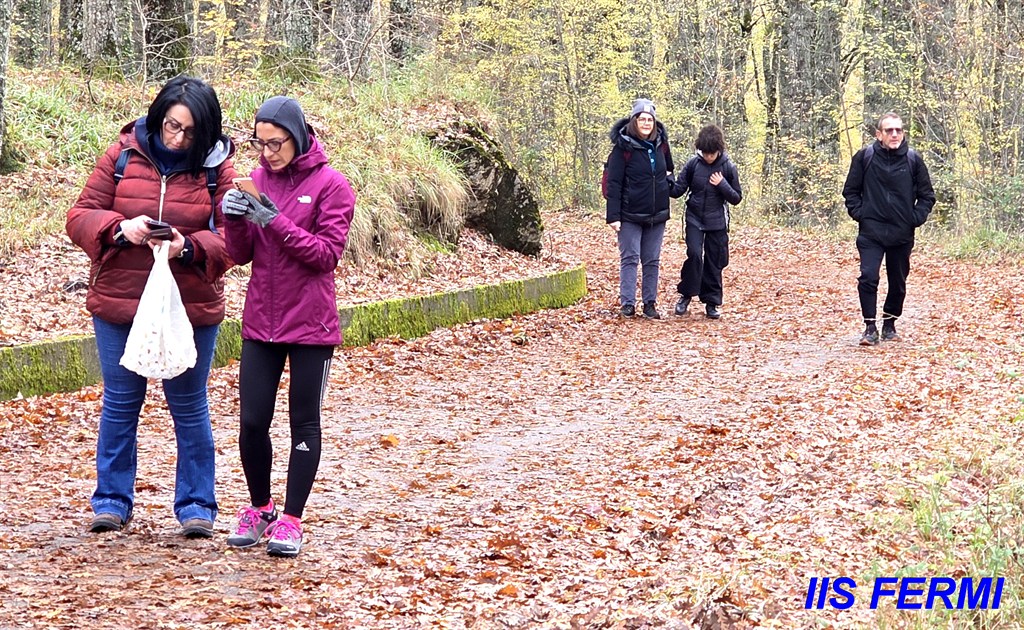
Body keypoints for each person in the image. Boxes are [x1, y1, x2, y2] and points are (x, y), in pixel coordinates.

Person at [66, 76, 237, 537]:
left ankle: (197, 506)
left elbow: (235, 239)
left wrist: (188, 247)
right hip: (120, 300)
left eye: (190, 132)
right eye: (171, 126)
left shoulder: (218, 170)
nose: (178, 139)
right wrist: (120, 229)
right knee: (120, 403)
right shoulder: (122, 156)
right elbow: (80, 216)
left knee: (190, 405)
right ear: (158, 117)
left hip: (190, 304)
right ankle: (111, 501)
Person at [221, 96, 356, 557]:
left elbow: (325, 255)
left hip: (311, 325)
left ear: (297, 137)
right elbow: (240, 254)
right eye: (260, 143)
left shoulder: (332, 186)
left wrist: (275, 222)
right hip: (262, 319)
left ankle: (292, 520)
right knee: (252, 421)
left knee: (304, 422)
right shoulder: (257, 179)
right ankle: (261, 508)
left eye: (275, 143)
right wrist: (234, 218)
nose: (267, 153)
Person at [842, 112, 935, 345]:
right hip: (871, 232)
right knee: (868, 277)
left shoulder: (913, 160)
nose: (894, 134)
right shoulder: (865, 157)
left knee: (898, 282)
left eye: (898, 130)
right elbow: (851, 191)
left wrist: (914, 218)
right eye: (889, 130)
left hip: (901, 233)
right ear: (879, 134)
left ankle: (890, 324)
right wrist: (861, 215)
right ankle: (870, 328)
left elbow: (927, 196)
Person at [605, 98, 680, 319]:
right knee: (630, 258)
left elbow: (669, 170)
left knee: (652, 260)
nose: (646, 123)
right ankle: (628, 304)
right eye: (642, 119)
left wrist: (668, 184)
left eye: (650, 119)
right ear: (634, 121)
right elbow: (614, 183)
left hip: (657, 214)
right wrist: (613, 216)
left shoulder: (662, 145)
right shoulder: (623, 148)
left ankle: (649, 304)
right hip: (629, 214)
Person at [672, 124, 742, 320]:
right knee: (694, 255)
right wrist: (665, 178)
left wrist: (722, 184)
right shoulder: (693, 164)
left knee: (714, 260)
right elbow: (677, 190)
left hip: (717, 221)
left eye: (712, 153)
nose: (709, 157)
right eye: (705, 153)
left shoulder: (728, 167)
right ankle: (686, 295)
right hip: (694, 218)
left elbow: (736, 198)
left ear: (719, 150)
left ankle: (712, 302)